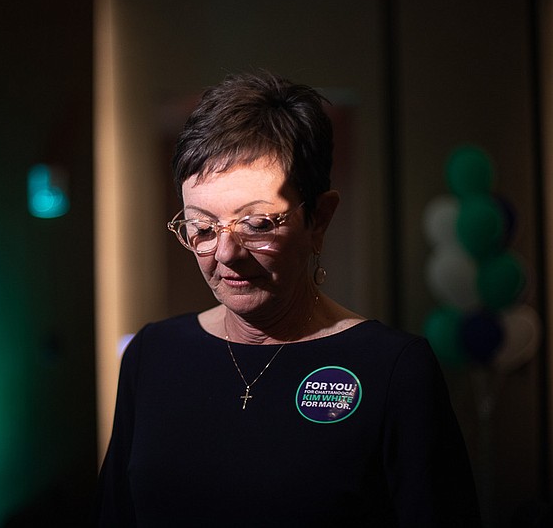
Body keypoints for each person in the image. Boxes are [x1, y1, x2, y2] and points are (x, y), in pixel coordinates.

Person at [94, 71, 481, 527]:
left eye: (257, 225)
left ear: (319, 218)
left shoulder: (393, 369)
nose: (226, 254)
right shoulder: (153, 354)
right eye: (201, 227)